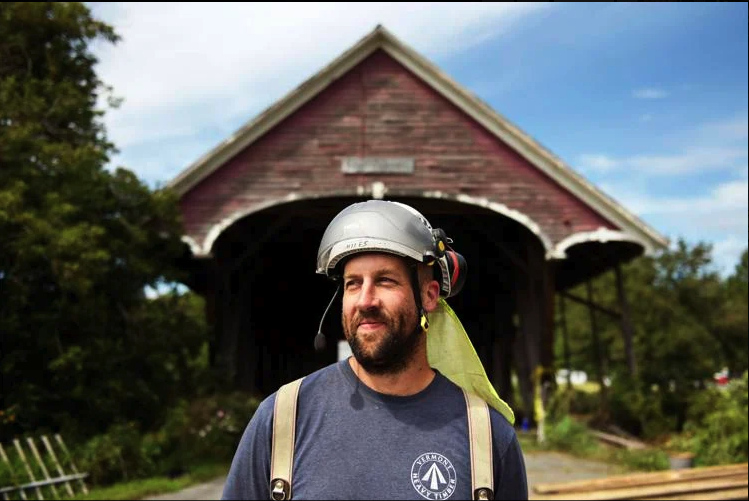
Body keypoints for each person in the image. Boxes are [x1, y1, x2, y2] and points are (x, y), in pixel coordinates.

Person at [222, 200, 528, 500]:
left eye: (385, 281)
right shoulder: (282, 418)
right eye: (353, 284)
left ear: (430, 295)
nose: (365, 301)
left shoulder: (487, 437)